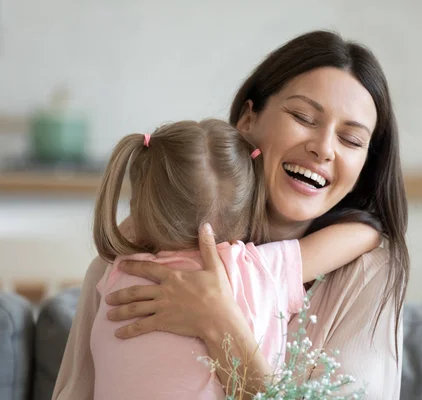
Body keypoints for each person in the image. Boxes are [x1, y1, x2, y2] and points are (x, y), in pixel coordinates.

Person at [53, 30, 409, 400]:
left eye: (351, 140)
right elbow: (77, 388)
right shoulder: (135, 247)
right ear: (247, 119)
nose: (323, 149)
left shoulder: (368, 273)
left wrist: (219, 324)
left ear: (366, 166)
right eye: (304, 116)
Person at [88, 118, 380, 399]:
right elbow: (365, 235)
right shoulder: (249, 269)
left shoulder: (117, 270)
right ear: (250, 211)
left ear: (136, 206)